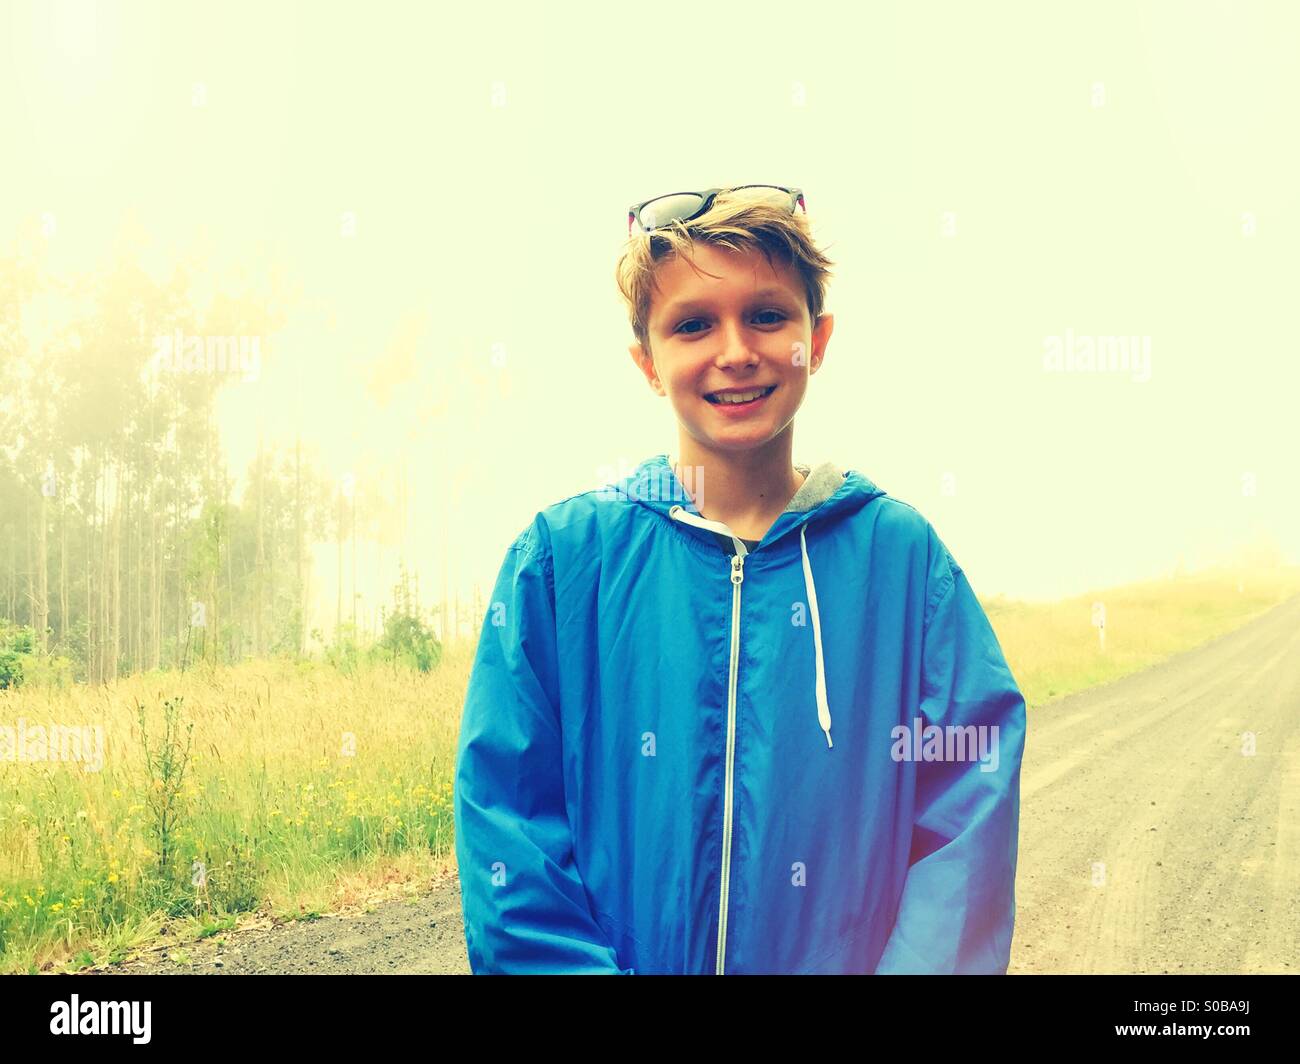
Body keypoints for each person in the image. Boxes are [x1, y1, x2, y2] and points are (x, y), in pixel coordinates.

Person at [452, 185, 1027, 974]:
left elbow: (968, 815)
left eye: (767, 315)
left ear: (816, 341)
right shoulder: (560, 563)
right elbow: (509, 834)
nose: (735, 351)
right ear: (648, 362)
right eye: (692, 324)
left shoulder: (903, 560)